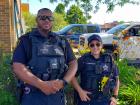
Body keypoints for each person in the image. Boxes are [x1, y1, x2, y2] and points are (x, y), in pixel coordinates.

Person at [12, 8, 77, 105]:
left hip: (57, 95)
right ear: (36, 20)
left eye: (50, 18)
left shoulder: (62, 41)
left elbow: (73, 63)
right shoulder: (26, 40)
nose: (47, 20)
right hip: (33, 96)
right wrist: (41, 85)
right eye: (43, 17)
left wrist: (63, 82)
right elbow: (17, 67)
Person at [71, 34, 119, 105]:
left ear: (102, 45)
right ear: (89, 46)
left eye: (98, 44)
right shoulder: (83, 60)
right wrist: (80, 91)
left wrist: (114, 96)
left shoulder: (109, 60)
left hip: (104, 99)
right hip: (87, 99)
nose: (95, 47)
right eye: (92, 45)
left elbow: (117, 78)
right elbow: (72, 76)